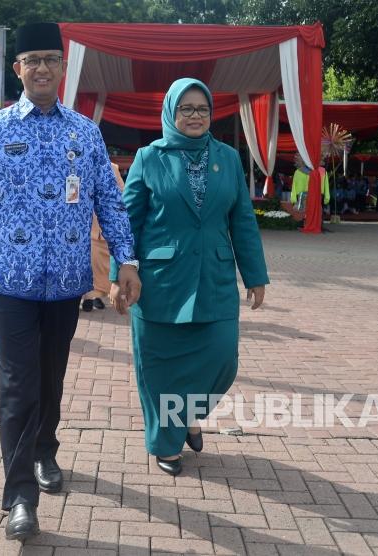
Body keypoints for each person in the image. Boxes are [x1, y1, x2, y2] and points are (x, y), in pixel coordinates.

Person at [0, 22, 139, 542]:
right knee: (17, 384)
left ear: (62, 69)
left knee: (50, 377)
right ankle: (19, 498)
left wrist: (127, 261)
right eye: (31, 59)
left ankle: (45, 450)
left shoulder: (84, 131)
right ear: (18, 69)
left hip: (64, 280)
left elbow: (110, 200)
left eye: (49, 60)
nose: (40, 68)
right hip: (7, 280)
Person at [110, 77, 267, 478]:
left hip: (213, 277)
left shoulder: (228, 158)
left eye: (202, 109)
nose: (195, 116)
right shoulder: (149, 157)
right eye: (186, 109)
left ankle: (188, 416)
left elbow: (243, 221)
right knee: (159, 370)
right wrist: (119, 272)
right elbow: (126, 222)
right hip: (160, 283)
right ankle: (166, 444)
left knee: (222, 359)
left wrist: (255, 274)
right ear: (170, 112)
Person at [82, 162, 125, 312]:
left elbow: (121, 193)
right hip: (80, 222)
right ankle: (88, 297)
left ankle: (93, 297)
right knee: (86, 262)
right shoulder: (73, 164)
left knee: (98, 264)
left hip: (100, 222)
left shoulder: (112, 167)